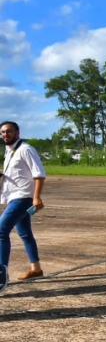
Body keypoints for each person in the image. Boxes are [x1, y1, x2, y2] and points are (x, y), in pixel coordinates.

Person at [0, 121, 47, 292]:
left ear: (17, 132)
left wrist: (36, 197)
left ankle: (1, 275)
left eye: (9, 131)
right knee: (25, 234)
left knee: (1, 231)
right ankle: (36, 269)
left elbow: (39, 174)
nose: (6, 135)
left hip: (23, 197)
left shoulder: (25, 149)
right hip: (14, 197)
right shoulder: (9, 151)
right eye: (3, 132)